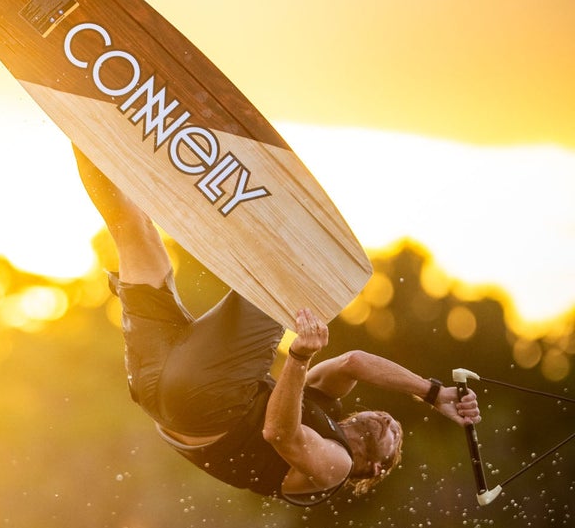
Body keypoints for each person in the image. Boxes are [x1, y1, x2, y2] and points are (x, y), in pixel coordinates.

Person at [74, 148, 481, 507]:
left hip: (207, 407)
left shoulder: (335, 467)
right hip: (155, 390)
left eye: (395, 443)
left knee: (288, 277)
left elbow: (279, 433)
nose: (392, 424)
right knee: (134, 230)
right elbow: (354, 363)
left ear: (373, 468)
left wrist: (300, 357)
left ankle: (260, 231)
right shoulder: (325, 410)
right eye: (395, 423)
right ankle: (79, 118)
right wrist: (432, 392)